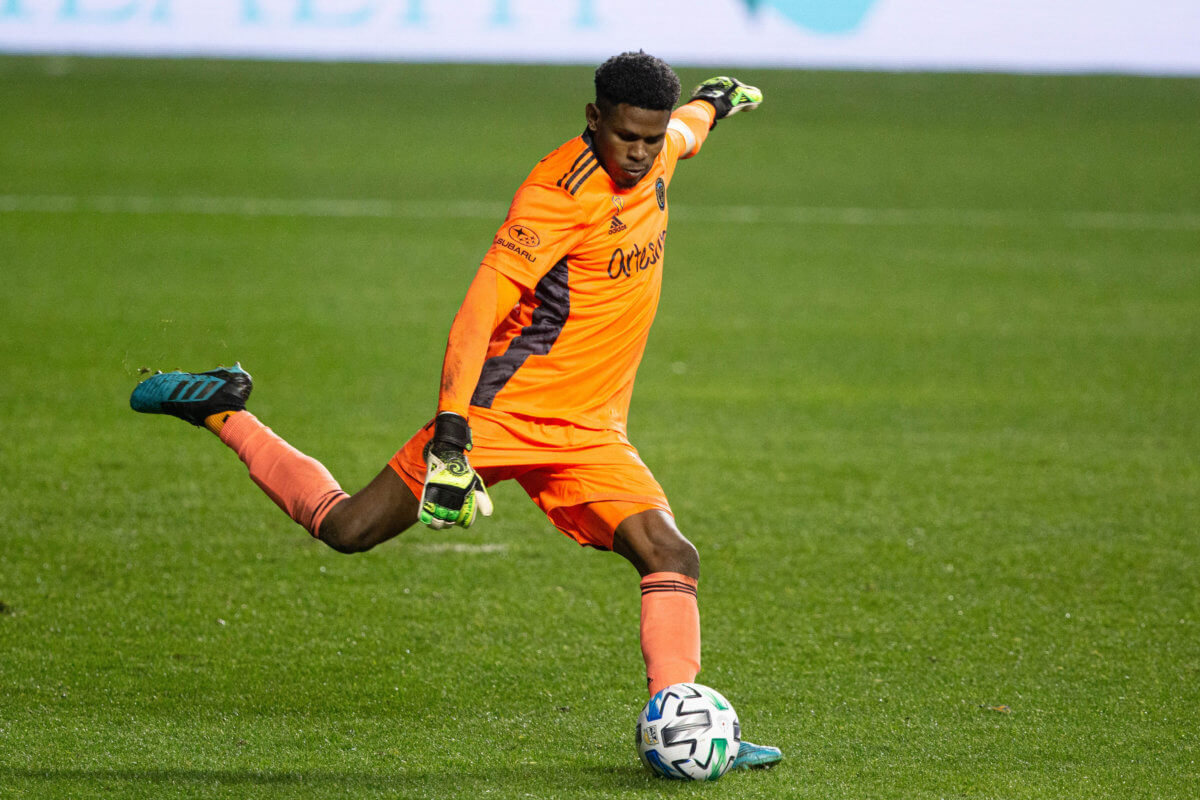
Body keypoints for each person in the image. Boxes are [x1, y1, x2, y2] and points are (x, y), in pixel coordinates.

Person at [131, 51, 781, 771]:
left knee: (671, 555)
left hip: (591, 429)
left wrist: (715, 101)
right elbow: (478, 313)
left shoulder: (660, 153)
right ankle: (223, 409)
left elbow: (689, 128)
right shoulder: (555, 196)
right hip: (504, 410)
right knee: (349, 529)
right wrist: (452, 430)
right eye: (625, 135)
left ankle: (685, 727)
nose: (638, 152)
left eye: (649, 139)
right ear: (593, 118)